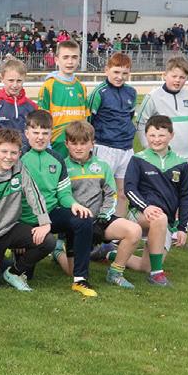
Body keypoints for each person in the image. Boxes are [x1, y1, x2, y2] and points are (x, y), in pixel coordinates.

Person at [18, 110, 97, 297]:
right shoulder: (18, 158)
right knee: (26, 275)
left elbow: (63, 193)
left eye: (45, 133)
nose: (40, 137)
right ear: (27, 133)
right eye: (35, 132)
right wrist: (18, 229)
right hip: (27, 218)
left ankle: (80, 279)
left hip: (51, 214)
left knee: (82, 219)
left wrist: (74, 204)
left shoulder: (57, 159)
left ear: (51, 134)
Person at [58, 121, 141, 290]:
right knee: (71, 272)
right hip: (77, 225)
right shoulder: (62, 167)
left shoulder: (102, 166)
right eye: (74, 143)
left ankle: (115, 273)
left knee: (134, 230)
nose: (79, 148)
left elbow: (111, 194)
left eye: (83, 143)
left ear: (92, 144)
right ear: (66, 144)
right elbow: (61, 197)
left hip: (101, 220)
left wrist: (103, 218)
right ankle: (58, 251)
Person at [0, 128, 55, 292]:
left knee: (48, 241)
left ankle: (14, 272)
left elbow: (33, 194)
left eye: (13, 153)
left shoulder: (19, 167)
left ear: (19, 153)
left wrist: (45, 222)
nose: (9, 157)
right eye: (4, 151)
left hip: (11, 227)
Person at [123, 115, 188, 286]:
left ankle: (108, 253)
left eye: (161, 135)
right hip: (139, 214)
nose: (156, 139)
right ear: (146, 135)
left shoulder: (180, 163)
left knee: (145, 266)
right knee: (158, 217)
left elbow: (186, 197)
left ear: (171, 135)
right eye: (152, 135)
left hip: (165, 221)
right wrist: (146, 207)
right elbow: (129, 189)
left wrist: (182, 228)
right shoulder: (138, 159)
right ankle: (157, 275)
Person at [87, 52, 137, 217]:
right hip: (105, 147)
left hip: (126, 149)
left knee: (122, 193)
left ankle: (118, 228)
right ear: (106, 70)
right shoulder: (99, 93)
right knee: (101, 192)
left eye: (124, 73)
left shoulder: (131, 92)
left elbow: (129, 117)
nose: (120, 77)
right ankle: (97, 229)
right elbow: (88, 121)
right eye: (116, 72)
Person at [135, 56, 188, 166]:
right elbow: (140, 123)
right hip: (161, 158)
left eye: (182, 77)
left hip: (185, 158)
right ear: (165, 75)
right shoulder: (152, 97)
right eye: (174, 76)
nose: (177, 80)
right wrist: (148, 147)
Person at [37, 39, 88, 157]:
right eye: (65, 57)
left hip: (78, 144)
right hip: (56, 144)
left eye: (74, 57)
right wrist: (46, 144)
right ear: (56, 60)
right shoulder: (48, 86)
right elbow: (42, 120)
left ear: (79, 59)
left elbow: (85, 119)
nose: (70, 62)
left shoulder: (81, 87)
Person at [0, 58, 37, 152]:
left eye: (19, 81)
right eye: (11, 80)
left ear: (24, 79)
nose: (15, 85)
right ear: (2, 79)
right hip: (3, 157)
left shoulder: (32, 106)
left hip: (26, 156)